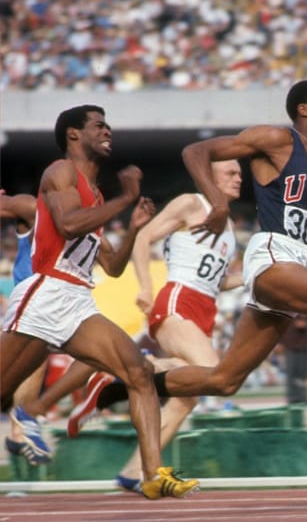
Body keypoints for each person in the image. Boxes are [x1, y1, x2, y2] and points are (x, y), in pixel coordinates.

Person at [129, 80, 307, 467]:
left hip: (299, 266)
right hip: (273, 257)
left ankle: (125, 381)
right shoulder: (277, 139)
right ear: (305, 109)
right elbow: (195, 151)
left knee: (224, 380)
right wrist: (217, 203)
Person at [0, 104, 199, 499]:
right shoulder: (61, 172)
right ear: (74, 134)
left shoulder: (96, 196)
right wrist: (126, 199)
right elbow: (68, 224)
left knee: (138, 372)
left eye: (108, 125)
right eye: (98, 125)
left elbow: (113, 266)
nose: (108, 131)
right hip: (45, 292)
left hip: (77, 299)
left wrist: (133, 229)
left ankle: (152, 474)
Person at [51, 159, 245, 493]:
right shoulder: (191, 203)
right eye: (231, 172)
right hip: (178, 301)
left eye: (240, 172)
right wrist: (145, 287)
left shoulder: (227, 226)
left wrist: (254, 275)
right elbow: (143, 237)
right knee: (215, 373)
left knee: (188, 398)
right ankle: (116, 381)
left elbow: (220, 280)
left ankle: (135, 471)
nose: (239, 177)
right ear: (209, 178)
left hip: (206, 309)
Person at [0, 190, 50, 465]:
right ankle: (20, 432)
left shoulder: (74, 220)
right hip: (29, 297)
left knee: (35, 364)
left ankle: (20, 431)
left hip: (55, 301)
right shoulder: (32, 210)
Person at [279, 313, 307, 405]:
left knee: (303, 373)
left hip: (304, 346)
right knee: (292, 373)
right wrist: (296, 323)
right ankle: (292, 398)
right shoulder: (290, 311)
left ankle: (302, 397)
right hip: (291, 346)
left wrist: (305, 323)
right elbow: (283, 324)